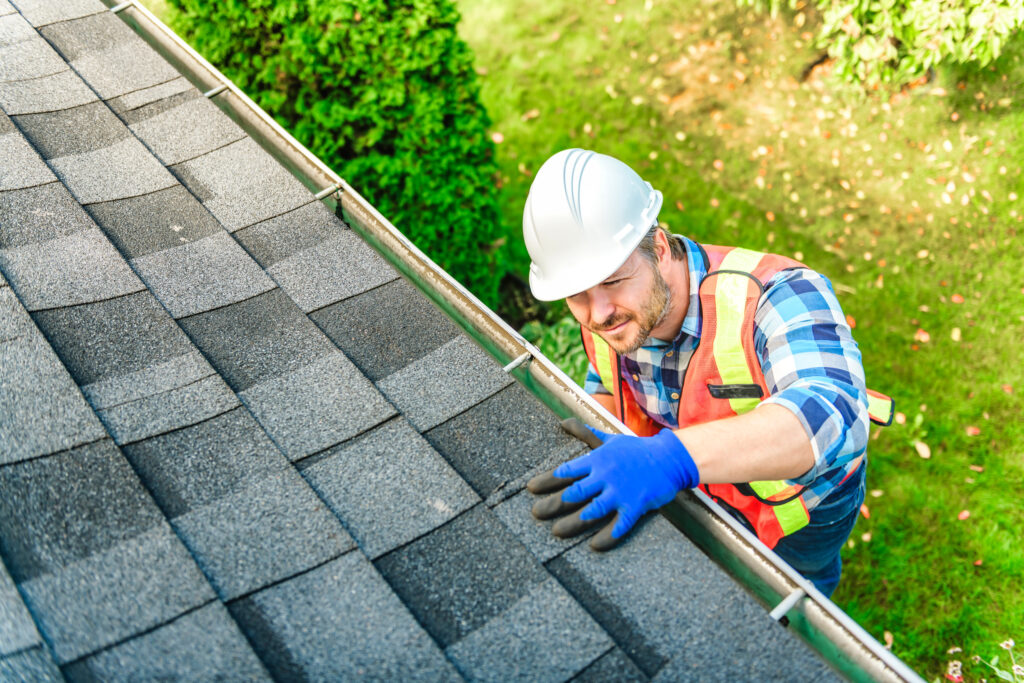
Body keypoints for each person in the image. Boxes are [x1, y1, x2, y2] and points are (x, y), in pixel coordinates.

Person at [523, 148, 892, 597]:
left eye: (613, 281)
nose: (598, 313)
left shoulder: (777, 294)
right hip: (707, 487)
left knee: (797, 597)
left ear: (658, 247)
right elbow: (609, 382)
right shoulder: (613, 315)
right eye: (576, 295)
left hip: (802, 509)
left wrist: (669, 459)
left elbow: (834, 414)